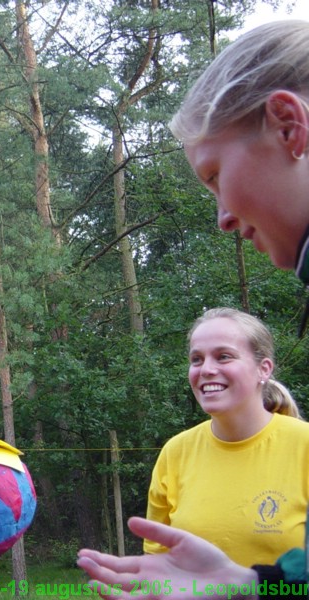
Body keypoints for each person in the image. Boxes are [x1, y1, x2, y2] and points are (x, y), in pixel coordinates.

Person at [77, 19, 309, 598]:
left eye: (214, 177)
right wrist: (247, 586)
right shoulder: (176, 454)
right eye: (195, 356)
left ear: (288, 126)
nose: (223, 217)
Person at [145, 307, 309, 566]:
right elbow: (158, 561)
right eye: (196, 359)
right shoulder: (175, 452)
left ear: (263, 369)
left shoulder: (304, 446)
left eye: (223, 357)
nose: (206, 369)